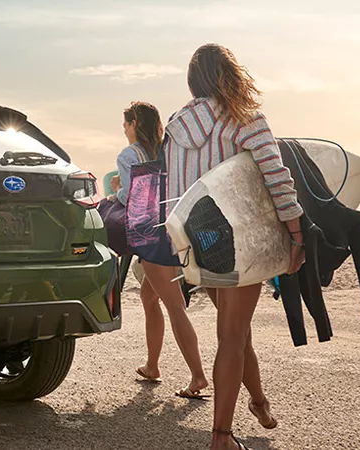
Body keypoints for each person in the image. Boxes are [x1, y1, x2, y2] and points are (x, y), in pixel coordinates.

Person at [165, 44, 303, 450]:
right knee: (232, 337)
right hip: (241, 244)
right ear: (231, 75)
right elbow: (278, 181)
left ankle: (258, 403)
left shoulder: (176, 127)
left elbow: (176, 195)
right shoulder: (246, 120)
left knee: (237, 334)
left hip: (199, 244)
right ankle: (221, 437)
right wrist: (296, 236)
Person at [111, 101, 211, 400]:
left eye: (125, 123)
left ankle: (198, 377)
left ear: (134, 124)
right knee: (148, 295)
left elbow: (133, 197)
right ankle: (153, 365)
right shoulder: (166, 151)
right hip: (174, 228)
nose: (123, 129)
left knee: (174, 306)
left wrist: (116, 188)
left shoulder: (129, 155)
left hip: (151, 236)